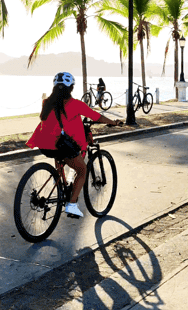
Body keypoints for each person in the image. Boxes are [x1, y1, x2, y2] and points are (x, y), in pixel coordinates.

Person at [26, 72, 122, 218]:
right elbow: (97, 116)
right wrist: (113, 122)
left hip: (44, 144)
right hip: (60, 145)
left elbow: (57, 122)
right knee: (82, 170)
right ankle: (71, 205)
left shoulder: (46, 102)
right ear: (70, 88)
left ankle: (60, 186)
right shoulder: (76, 104)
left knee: (61, 157)